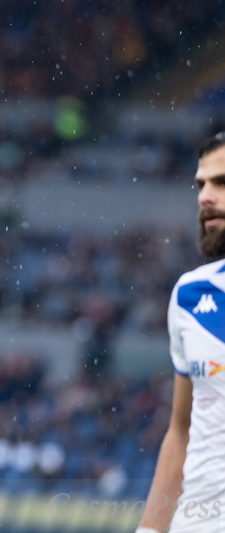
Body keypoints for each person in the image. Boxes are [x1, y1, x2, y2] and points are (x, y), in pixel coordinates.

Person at [138, 132, 225, 533]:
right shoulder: (191, 295)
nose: (205, 196)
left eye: (222, 183)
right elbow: (181, 430)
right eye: (201, 184)